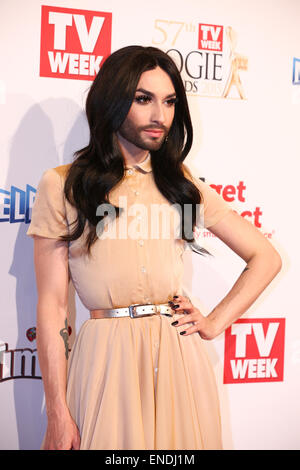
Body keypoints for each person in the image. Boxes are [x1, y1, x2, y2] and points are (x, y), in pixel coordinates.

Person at [26, 45, 282, 451]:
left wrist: (214, 323)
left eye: (169, 102)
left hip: (179, 361)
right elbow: (54, 305)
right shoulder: (64, 185)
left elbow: (265, 257)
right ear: (111, 100)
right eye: (143, 99)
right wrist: (57, 410)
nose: (159, 116)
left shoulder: (178, 182)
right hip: (105, 363)